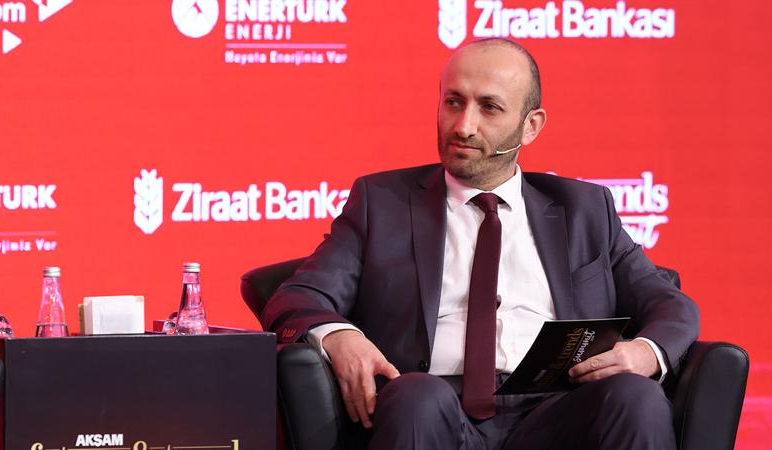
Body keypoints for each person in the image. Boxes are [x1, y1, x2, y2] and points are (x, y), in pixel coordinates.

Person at [261, 38, 699, 450]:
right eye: (453, 102)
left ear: (531, 126)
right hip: (432, 403)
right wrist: (339, 335)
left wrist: (646, 352)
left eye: (489, 107)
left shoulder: (585, 210)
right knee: (417, 398)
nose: (464, 126)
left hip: (557, 409)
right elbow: (297, 297)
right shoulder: (382, 203)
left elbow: (670, 305)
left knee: (635, 397)